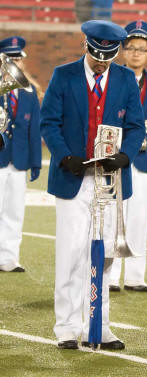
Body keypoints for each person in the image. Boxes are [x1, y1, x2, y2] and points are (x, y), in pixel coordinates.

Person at [41, 20, 145, 350]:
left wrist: (125, 156)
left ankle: (98, 327)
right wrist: (64, 156)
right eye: (97, 57)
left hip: (110, 181)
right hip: (72, 179)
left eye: (107, 59)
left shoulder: (125, 79)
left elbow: (136, 126)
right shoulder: (63, 75)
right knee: (71, 253)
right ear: (85, 47)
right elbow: (49, 122)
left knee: (104, 256)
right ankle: (67, 327)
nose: (101, 64)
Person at [108, 20, 147, 293]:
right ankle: (110, 276)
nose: (135, 53)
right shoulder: (112, 77)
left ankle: (135, 276)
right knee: (113, 217)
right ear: (123, 51)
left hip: (146, 161)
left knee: (139, 219)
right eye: (131, 47)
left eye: (141, 49)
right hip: (117, 157)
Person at [0, 36, 41, 273]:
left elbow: (34, 129)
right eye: (10, 58)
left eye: (18, 59)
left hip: (19, 160)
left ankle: (9, 258)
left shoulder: (29, 91)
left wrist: (35, 162)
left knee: (14, 211)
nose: (15, 63)